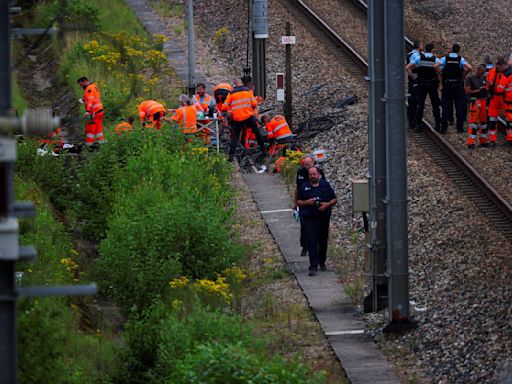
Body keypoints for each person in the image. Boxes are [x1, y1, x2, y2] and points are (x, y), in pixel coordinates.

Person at [297, 167, 336, 276]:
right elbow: (299, 201)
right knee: (312, 242)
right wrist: (308, 202)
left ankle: (322, 261)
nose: (312, 176)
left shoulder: (325, 185)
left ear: (318, 175)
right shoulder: (304, 186)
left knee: (323, 241)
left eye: (314, 174)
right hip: (310, 219)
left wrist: (326, 205)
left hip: (323, 218)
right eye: (310, 174)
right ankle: (313, 266)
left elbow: (334, 199)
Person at [222, 78, 266, 158]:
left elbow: (224, 107)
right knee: (257, 133)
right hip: (249, 116)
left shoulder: (231, 94)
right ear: (242, 83)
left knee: (235, 137)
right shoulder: (248, 91)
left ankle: (231, 155)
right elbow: (254, 104)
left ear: (234, 84)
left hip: (238, 119)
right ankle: (263, 150)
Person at [406, 43, 441, 131]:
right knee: (435, 104)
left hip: (421, 83)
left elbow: (408, 67)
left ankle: (418, 125)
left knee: (420, 104)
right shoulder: (435, 59)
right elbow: (439, 70)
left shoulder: (419, 57)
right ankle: (437, 124)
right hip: (432, 84)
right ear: (432, 50)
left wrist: (414, 77)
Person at [295, 157, 325, 257]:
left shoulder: (319, 172)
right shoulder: (300, 172)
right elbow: (297, 188)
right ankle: (304, 246)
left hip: (316, 203)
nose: (306, 166)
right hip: (304, 202)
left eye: (308, 164)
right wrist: (295, 203)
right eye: (305, 164)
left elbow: (324, 187)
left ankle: (316, 247)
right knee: (304, 226)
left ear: (313, 164)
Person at [439, 43, 472, 133]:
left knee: (446, 106)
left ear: (452, 49)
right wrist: (463, 75)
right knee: (459, 106)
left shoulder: (445, 58)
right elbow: (469, 67)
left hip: (448, 85)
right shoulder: (460, 59)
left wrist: (441, 73)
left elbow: (436, 66)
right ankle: (460, 128)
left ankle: (444, 128)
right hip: (458, 86)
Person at [487, 56, 512, 145]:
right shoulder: (494, 71)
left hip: (504, 98)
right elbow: (488, 83)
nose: (497, 68)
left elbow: (499, 89)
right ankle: (492, 139)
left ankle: (509, 138)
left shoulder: (507, 74)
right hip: (496, 98)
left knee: (509, 119)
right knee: (492, 118)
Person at [465, 64, 488, 148]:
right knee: (473, 123)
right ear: (478, 70)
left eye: (484, 72)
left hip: (483, 101)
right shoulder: (470, 78)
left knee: (484, 123)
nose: (483, 74)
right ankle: (471, 142)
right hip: (475, 102)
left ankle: (483, 141)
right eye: (482, 72)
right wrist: (478, 90)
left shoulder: (483, 78)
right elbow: (467, 91)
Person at [77, 76, 104, 146]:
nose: (81, 86)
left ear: (85, 82)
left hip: (94, 113)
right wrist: (84, 100)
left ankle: (89, 146)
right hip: (100, 111)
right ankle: (102, 144)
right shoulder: (94, 86)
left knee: (89, 130)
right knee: (98, 130)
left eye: (81, 85)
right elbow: (93, 98)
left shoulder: (88, 89)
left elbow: (91, 100)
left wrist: (88, 111)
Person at [406, 40, 423, 130]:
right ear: (419, 45)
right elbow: (409, 67)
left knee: (412, 101)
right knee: (415, 101)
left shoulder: (411, 53)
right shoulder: (415, 55)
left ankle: (412, 122)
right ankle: (414, 122)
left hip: (413, 81)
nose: (422, 46)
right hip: (415, 81)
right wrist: (414, 77)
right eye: (421, 44)